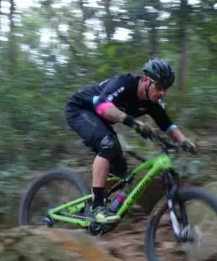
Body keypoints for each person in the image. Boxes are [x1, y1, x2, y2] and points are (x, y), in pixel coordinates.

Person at [64, 58, 197, 224]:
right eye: (159, 87)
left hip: (100, 121)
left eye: (166, 88)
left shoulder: (152, 102)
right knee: (107, 145)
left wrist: (184, 141)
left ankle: (95, 201)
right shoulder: (124, 83)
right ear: (146, 80)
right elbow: (102, 107)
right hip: (79, 110)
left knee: (121, 171)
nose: (162, 92)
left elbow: (168, 125)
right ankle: (97, 207)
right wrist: (134, 123)